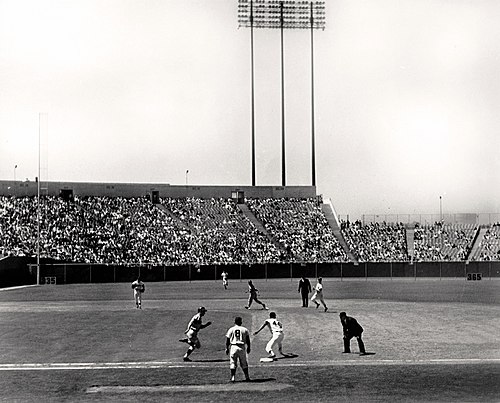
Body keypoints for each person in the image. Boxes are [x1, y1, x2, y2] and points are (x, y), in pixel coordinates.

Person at [225, 316, 251, 382]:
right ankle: (247, 377)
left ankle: (233, 377)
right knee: (244, 362)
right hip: (241, 347)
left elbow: (228, 340)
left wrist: (227, 348)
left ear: (234, 322)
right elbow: (248, 340)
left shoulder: (231, 329)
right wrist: (248, 347)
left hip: (233, 347)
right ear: (241, 322)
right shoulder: (244, 329)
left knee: (233, 362)